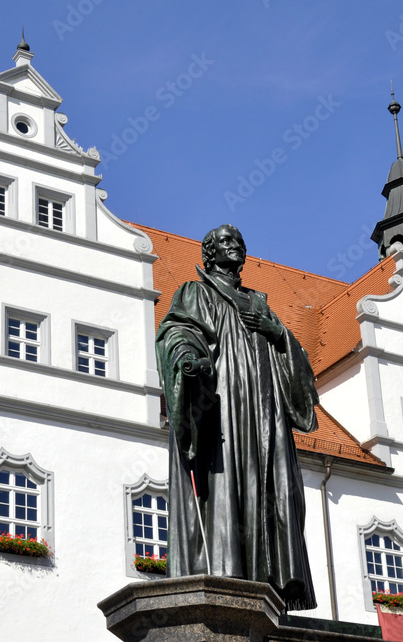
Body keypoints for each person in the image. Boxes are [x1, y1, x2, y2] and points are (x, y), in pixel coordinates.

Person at [155, 224, 319, 610]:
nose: (237, 246)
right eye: (227, 241)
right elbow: (176, 331)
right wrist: (187, 360)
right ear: (210, 253)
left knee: (274, 489)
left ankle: (272, 577)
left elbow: (299, 374)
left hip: (265, 416)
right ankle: (228, 570)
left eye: (241, 241)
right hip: (223, 409)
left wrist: (278, 333)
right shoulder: (197, 292)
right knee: (226, 484)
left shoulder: (261, 304)